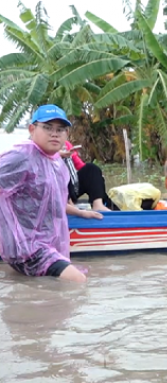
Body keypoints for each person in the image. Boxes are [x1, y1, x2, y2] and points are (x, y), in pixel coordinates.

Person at [0, 105, 101, 283]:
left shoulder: (56, 162)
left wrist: (81, 212)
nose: (54, 134)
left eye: (60, 129)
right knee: (78, 281)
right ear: (32, 129)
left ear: (67, 135)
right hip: (28, 247)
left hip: (44, 246)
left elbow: (56, 203)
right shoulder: (21, 156)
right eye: (47, 128)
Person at [61, 141, 112, 212]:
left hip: (73, 187)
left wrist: (95, 177)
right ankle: (70, 205)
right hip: (58, 189)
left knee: (92, 169)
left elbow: (80, 165)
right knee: (62, 172)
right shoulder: (43, 143)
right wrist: (58, 154)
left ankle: (98, 205)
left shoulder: (66, 145)